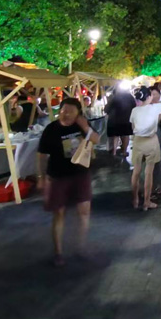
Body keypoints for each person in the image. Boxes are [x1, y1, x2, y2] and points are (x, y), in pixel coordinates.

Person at [37, 98, 99, 267]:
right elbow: (41, 155)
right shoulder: (51, 129)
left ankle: (81, 247)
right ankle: (58, 252)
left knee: (84, 211)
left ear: (78, 113)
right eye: (63, 110)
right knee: (59, 213)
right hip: (58, 176)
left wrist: (85, 127)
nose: (66, 114)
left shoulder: (82, 126)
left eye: (71, 111)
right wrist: (41, 177)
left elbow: (96, 140)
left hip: (81, 174)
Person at [129, 88, 161, 211]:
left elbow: (133, 127)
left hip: (138, 141)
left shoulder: (134, 110)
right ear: (148, 97)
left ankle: (135, 200)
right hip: (151, 141)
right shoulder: (155, 107)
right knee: (149, 173)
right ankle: (146, 202)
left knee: (136, 172)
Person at [104, 85, 136, 157]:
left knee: (116, 136)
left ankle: (114, 152)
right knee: (126, 136)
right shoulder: (130, 97)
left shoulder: (114, 97)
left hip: (115, 120)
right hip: (127, 120)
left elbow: (107, 109)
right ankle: (124, 152)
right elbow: (134, 106)